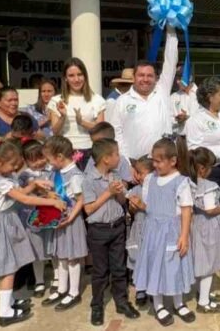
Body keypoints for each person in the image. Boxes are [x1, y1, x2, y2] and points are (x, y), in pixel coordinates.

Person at [0, 140, 65, 327]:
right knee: (8, 268)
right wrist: (52, 203)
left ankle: (10, 301)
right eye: (13, 165)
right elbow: (23, 198)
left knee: (9, 264)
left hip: (4, 222)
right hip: (0, 225)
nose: (15, 168)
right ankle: (5, 312)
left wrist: (34, 184)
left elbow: (21, 191)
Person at [133, 136, 196, 327]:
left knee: (174, 266)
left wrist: (184, 236)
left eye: (159, 161)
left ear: (173, 161)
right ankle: (159, 304)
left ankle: (178, 302)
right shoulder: (150, 179)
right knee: (155, 267)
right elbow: (148, 205)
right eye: (153, 160)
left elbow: (186, 210)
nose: (155, 164)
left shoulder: (181, 181)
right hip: (152, 232)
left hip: (172, 232)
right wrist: (138, 204)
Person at [82, 138, 141, 325]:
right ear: (106, 158)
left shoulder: (115, 176)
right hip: (98, 231)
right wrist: (108, 193)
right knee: (100, 271)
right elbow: (89, 209)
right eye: (116, 154)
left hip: (117, 227)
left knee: (119, 267)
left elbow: (122, 202)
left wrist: (121, 193)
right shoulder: (89, 180)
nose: (119, 157)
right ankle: (97, 306)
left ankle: (121, 302)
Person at [184, 76, 220, 256]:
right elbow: (193, 148)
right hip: (208, 172)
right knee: (208, 214)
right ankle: (206, 255)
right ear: (210, 96)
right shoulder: (195, 120)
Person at [112, 26, 178, 160]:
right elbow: (116, 134)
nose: (145, 79)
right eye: (141, 75)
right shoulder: (122, 101)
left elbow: (171, 60)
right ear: (133, 78)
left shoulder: (162, 92)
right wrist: (127, 164)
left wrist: (171, 28)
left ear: (156, 78)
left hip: (163, 162)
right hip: (134, 164)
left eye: (150, 76)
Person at [40, 136, 89, 311]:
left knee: (73, 257)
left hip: (70, 219)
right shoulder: (57, 172)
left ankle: (74, 292)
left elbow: (80, 200)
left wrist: (70, 218)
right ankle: (62, 288)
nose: (48, 163)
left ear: (60, 157)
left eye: (49, 159)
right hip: (59, 217)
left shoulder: (75, 175)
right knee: (61, 255)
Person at [188, 147, 220, 314]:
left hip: (196, 224)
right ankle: (203, 302)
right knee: (209, 265)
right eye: (210, 167)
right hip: (209, 227)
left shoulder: (189, 184)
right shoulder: (208, 186)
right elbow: (209, 209)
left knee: (202, 261)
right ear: (202, 168)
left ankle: (203, 293)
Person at [47, 58, 106, 166]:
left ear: (85, 76)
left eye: (80, 74)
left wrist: (82, 122)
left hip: (90, 151)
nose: (76, 79)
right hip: (65, 153)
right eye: (71, 76)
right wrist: (63, 116)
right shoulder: (56, 100)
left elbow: (101, 129)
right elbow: (55, 131)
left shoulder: (97, 100)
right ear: (65, 78)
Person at [17, 140, 56, 298]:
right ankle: (39, 281)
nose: (39, 162)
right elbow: (22, 193)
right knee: (36, 250)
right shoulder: (24, 175)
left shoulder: (51, 170)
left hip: (51, 215)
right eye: (33, 159)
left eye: (41, 157)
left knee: (53, 248)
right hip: (31, 218)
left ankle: (57, 277)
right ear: (26, 161)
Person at [126, 156, 153, 308]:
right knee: (138, 259)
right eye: (137, 172)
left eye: (140, 173)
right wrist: (132, 207)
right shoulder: (135, 190)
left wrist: (142, 206)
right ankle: (140, 289)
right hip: (138, 228)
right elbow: (131, 211)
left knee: (152, 258)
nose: (137, 176)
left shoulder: (157, 189)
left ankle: (153, 288)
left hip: (152, 229)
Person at [170, 66, 199, 135]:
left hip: (198, 139)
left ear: (190, 77)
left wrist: (188, 118)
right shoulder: (173, 97)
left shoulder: (201, 94)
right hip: (178, 139)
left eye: (180, 78)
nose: (177, 81)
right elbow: (167, 118)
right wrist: (177, 120)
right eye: (176, 78)